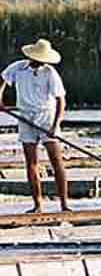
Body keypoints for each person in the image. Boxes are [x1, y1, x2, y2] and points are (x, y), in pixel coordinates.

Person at [0, 38, 70, 213]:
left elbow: (61, 101)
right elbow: (1, 80)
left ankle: (64, 204)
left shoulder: (50, 73)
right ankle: (38, 204)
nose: (42, 62)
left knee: (56, 161)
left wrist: (55, 125)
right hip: (25, 117)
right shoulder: (17, 68)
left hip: (46, 116)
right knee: (31, 162)